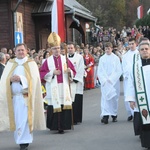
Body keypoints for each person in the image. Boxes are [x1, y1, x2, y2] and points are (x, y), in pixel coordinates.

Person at [0, 43, 46, 150]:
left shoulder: (31, 64)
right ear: (15, 52)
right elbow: (3, 81)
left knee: (25, 119)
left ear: (26, 51)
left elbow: (34, 80)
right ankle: (20, 139)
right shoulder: (10, 64)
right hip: (15, 98)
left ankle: (24, 142)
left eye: (22, 50)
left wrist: (21, 79)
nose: (21, 52)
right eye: (18, 50)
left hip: (26, 98)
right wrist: (10, 80)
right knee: (17, 119)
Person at [40, 32, 76, 134]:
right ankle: (55, 126)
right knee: (55, 105)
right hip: (53, 86)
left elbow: (73, 71)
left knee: (64, 104)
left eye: (58, 48)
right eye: (55, 48)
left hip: (64, 86)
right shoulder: (47, 61)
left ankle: (64, 126)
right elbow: (42, 74)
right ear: (51, 50)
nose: (57, 50)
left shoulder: (65, 59)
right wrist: (52, 72)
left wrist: (70, 72)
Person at [126, 42, 150, 149]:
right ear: (139, 52)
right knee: (146, 120)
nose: (144, 51)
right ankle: (147, 143)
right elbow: (131, 84)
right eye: (142, 49)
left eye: (146, 49)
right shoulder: (135, 67)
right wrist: (131, 99)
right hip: (143, 99)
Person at [97, 42, 122, 124]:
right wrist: (104, 79)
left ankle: (114, 114)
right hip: (105, 82)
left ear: (112, 48)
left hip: (113, 82)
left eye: (109, 48)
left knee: (114, 98)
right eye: (106, 49)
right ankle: (105, 115)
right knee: (105, 98)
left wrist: (111, 79)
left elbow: (118, 70)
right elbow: (100, 70)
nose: (107, 50)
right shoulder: (102, 59)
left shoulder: (116, 58)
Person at [67, 42, 84, 124]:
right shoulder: (64, 58)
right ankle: (69, 118)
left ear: (74, 49)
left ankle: (76, 118)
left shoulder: (79, 57)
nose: (70, 49)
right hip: (68, 82)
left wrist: (74, 79)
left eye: (71, 48)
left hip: (76, 82)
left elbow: (81, 69)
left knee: (76, 100)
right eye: (68, 48)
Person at [122, 38, 139, 121]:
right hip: (128, 78)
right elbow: (123, 67)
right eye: (130, 44)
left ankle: (136, 112)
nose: (131, 46)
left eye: (133, 44)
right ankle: (130, 113)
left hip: (138, 78)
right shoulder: (125, 56)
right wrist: (126, 75)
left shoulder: (139, 54)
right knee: (128, 95)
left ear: (136, 44)